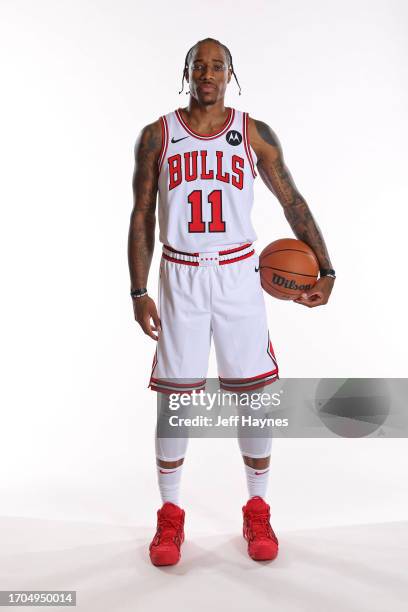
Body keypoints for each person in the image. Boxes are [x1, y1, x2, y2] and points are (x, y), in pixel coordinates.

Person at [128, 37, 335, 566]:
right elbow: (142, 214)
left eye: (217, 66)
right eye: (200, 64)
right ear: (187, 72)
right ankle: (170, 518)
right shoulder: (158, 134)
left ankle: (258, 507)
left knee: (255, 395)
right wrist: (138, 289)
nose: (208, 73)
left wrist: (326, 267)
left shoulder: (254, 133)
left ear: (230, 74)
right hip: (181, 276)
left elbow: (291, 199)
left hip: (240, 273)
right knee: (176, 400)